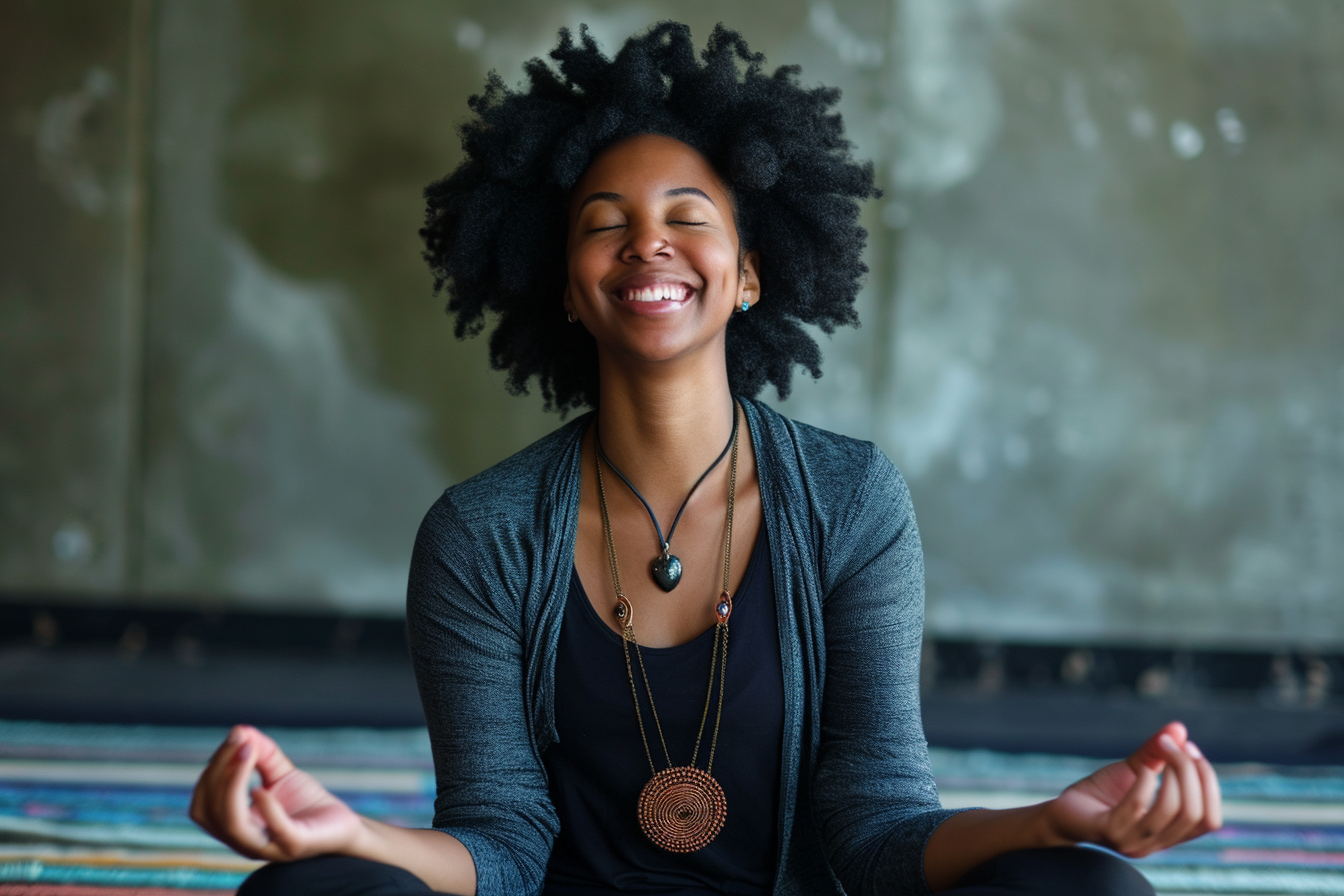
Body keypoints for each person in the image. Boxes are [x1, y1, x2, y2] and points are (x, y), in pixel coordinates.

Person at [190, 22, 1222, 896]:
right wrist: (345, 832)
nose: (649, 245)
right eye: (606, 226)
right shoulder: (482, 532)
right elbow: (498, 843)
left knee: (1092, 883)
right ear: (561, 284)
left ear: (749, 277)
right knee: (299, 888)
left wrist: (1054, 818)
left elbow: (878, 828)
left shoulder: (852, 500)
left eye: (688, 219)